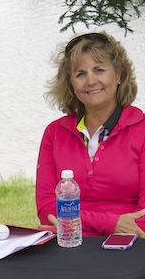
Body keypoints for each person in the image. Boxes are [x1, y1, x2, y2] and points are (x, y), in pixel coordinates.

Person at [36, 31, 145, 237]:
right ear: (71, 84)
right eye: (80, 74)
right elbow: (46, 210)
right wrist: (112, 223)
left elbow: (142, 219)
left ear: (119, 75)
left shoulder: (142, 130)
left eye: (99, 70)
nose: (90, 81)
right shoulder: (55, 133)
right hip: (69, 244)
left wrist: (70, 221)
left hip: (129, 246)